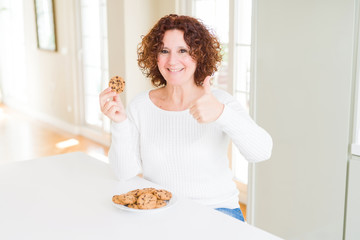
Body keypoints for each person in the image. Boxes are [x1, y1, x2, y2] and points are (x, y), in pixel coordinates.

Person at [99, 14, 273, 221]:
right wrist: (119, 123)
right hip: (161, 212)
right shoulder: (140, 106)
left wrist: (221, 113)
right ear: (155, 57)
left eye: (183, 50)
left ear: (199, 55)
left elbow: (262, 152)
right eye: (164, 51)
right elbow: (124, 173)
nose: (172, 61)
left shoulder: (219, 101)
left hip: (216, 212)